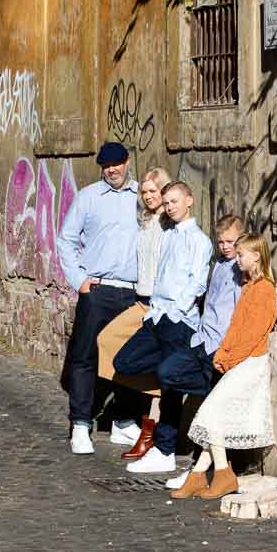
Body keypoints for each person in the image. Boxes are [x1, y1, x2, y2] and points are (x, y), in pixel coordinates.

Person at [112, 180, 212, 474]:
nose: (169, 207)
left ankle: (164, 449)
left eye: (174, 201)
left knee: (170, 388)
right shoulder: (167, 234)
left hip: (179, 319)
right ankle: (181, 372)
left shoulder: (199, 240)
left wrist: (177, 308)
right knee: (124, 362)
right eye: (166, 202)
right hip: (157, 316)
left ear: (189, 201)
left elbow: (197, 282)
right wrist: (156, 309)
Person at [56, 141, 141, 455]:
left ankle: (123, 421)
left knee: (130, 358)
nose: (112, 170)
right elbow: (65, 240)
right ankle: (80, 423)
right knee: (85, 356)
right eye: (107, 165)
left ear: (127, 162)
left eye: (117, 163)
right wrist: (80, 281)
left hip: (132, 291)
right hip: (98, 289)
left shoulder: (142, 198)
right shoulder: (89, 197)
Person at [179, 231, 277, 500]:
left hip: (250, 363)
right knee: (215, 416)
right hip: (239, 361)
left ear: (256, 256)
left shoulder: (265, 289)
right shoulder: (249, 287)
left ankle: (222, 474)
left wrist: (227, 357)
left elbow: (252, 334)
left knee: (211, 412)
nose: (237, 260)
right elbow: (235, 327)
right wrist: (223, 352)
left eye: (242, 254)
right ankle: (200, 476)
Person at [158, 213, 244, 493]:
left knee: (211, 413)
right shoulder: (219, 263)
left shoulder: (241, 270)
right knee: (167, 373)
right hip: (202, 342)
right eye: (220, 241)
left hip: (220, 348)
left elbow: (239, 316)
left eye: (230, 241)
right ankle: (208, 469)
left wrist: (228, 351)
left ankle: (206, 470)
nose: (225, 246)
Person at [96, 168, 171, 460]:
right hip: (141, 301)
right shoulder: (145, 221)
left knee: (154, 362)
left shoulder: (169, 224)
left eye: (155, 191)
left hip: (160, 304)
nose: (149, 196)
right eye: (145, 191)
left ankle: (146, 427)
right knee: (106, 341)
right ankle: (130, 417)